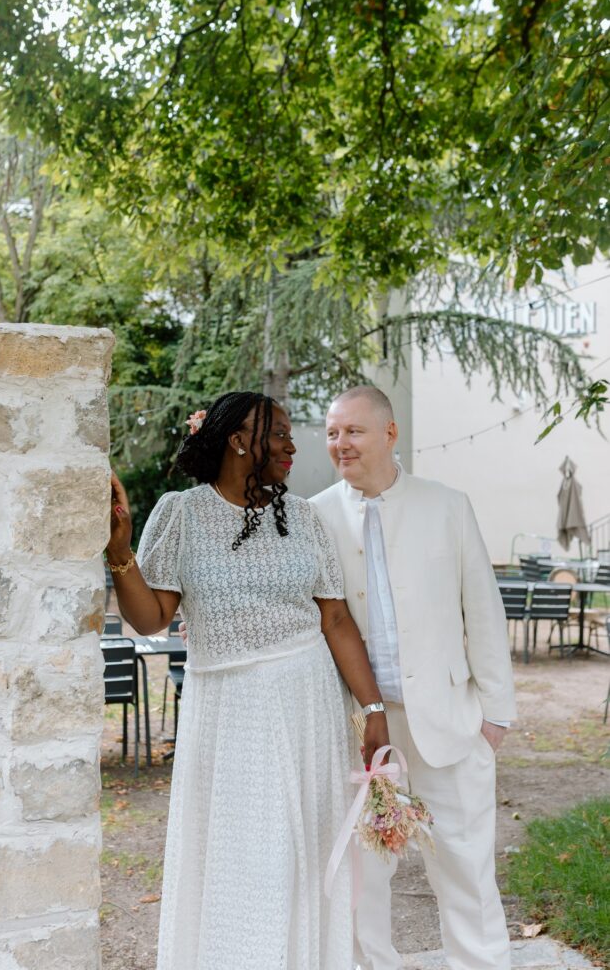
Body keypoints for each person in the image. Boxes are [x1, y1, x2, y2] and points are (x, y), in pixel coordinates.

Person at [106, 390, 390, 970]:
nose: (292, 445)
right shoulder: (180, 513)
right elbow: (151, 618)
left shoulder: (304, 517)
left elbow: (334, 618)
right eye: (279, 433)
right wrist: (119, 549)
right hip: (228, 711)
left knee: (300, 853)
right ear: (238, 440)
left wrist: (374, 709)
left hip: (307, 702)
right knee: (241, 854)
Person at [311, 385, 517, 970]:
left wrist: (494, 717)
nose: (340, 444)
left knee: (465, 868)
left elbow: (483, 609)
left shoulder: (447, 505)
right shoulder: (315, 515)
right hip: (358, 728)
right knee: (362, 876)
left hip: (451, 723)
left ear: (389, 433)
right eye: (332, 433)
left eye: (353, 431)